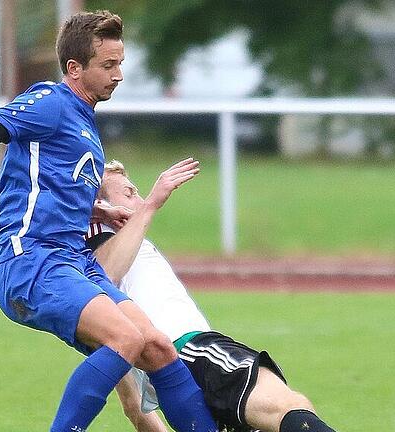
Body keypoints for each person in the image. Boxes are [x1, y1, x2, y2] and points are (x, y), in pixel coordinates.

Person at [0, 11, 217, 432]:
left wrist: (97, 210)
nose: (118, 74)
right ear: (74, 69)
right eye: (108, 65)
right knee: (127, 339)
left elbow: (49, 186)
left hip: (71, 261)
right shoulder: (51, 101)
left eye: (120, 63)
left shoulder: (84, 121)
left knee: (157, 347)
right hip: (31, 261)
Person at [87, 160, 338, 432]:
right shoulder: (98, 236)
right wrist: (149, 207)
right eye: (128, 193)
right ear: (100, 207)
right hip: (190, 350)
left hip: (176, 373)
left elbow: (133, 406)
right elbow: (105, 275)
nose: (141, 197)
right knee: (287, 407)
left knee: (285, 414)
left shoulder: (110, 282)